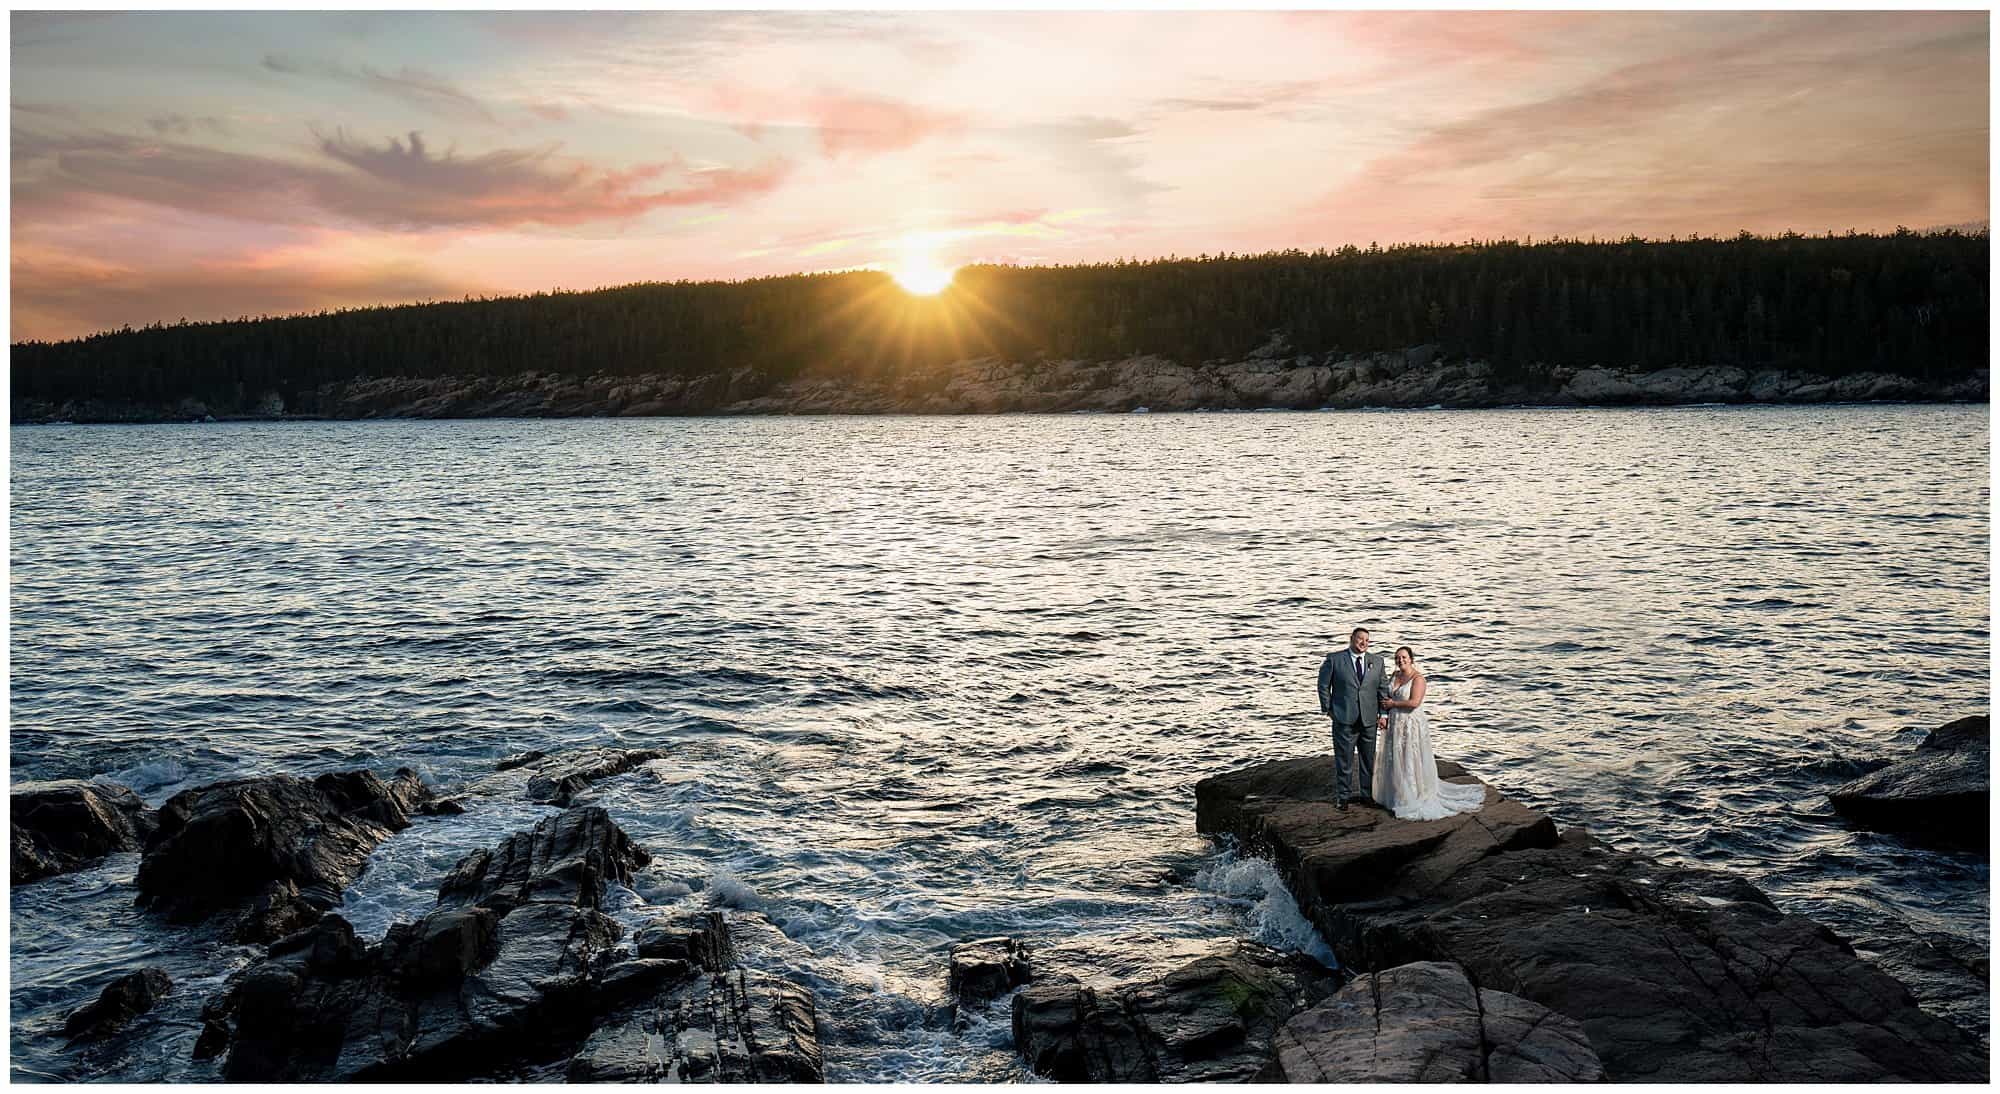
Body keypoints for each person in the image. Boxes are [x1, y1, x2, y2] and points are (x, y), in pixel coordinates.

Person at [1373, 646, 1486, 821]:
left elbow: (1414, 702)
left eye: (1404, 657)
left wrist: (1393, 704)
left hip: (1410, 723)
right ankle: (1396, 793)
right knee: (1395, 756)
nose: (1400, 660)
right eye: (1397, 658)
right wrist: (1385, 714)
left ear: (1411, 659)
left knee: (1410, 756)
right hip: (1395, 722)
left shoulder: (1418, 678)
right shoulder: (1394, 676)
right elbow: (1385, 698)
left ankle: (1413, 794)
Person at [1316, 626, 1390, 810]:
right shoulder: (1334, 659)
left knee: (1368, 760)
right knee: (1344, 760)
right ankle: (1343, 797)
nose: (1363, 643)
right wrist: (1328, 710)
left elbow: (1383, 689)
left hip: (1369, 720)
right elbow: (1323, 686)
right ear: (1351, 638)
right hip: (1343, 719)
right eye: (1360, 639)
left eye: (1367, 640)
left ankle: (1366, 796)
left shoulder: (1377, 661)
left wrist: (1384, 714)